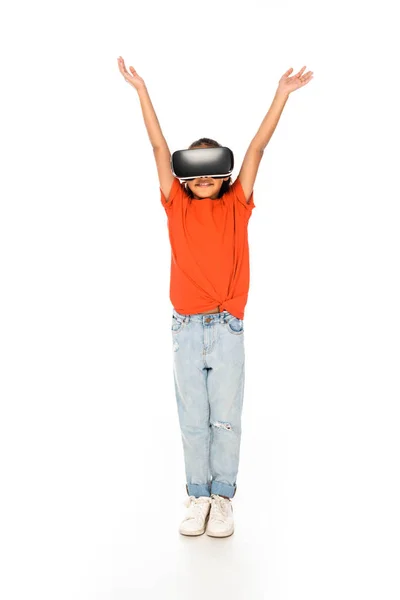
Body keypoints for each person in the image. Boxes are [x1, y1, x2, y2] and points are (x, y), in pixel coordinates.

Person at [117, 56, 313, 537]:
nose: (204, 176)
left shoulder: (237, 204)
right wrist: (142, 90)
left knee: (225, 417)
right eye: (195, 168)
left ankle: (222, 498)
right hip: (186, 326)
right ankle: (197, 495)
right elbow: (159, 145)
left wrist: (281, 95)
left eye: (212, 167)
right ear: (187, 176)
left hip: (226, 325)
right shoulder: (175, 204)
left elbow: (257, 148)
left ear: (223, 175)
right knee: (193, 418)